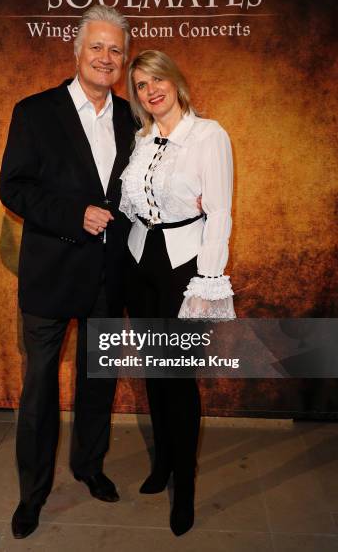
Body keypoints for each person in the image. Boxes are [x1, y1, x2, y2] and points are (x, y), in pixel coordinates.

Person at [0, 5, 136, 539]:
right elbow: (14, 187)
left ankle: (89, 466)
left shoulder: (130, 117)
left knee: (97, 380)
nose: (105, 57)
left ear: (123, 62)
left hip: (109, 274)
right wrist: (72, 216)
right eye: (96, 47)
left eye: (115, 50)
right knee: (39, 391)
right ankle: (32, 494)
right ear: (76, 52)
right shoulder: (34, 112)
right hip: (52, 272)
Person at [120, 50, 235, 536]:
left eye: (156, 79)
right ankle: (163, 463)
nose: (150, 90)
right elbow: (134, 203)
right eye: (141, 85)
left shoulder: (208, 135)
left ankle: (184, 487)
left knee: (178, 378)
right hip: (140, 259)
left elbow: (221, 213)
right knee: (153, 372)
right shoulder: (143, 138)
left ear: (175, 80)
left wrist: (207, 281)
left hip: (182, 265)